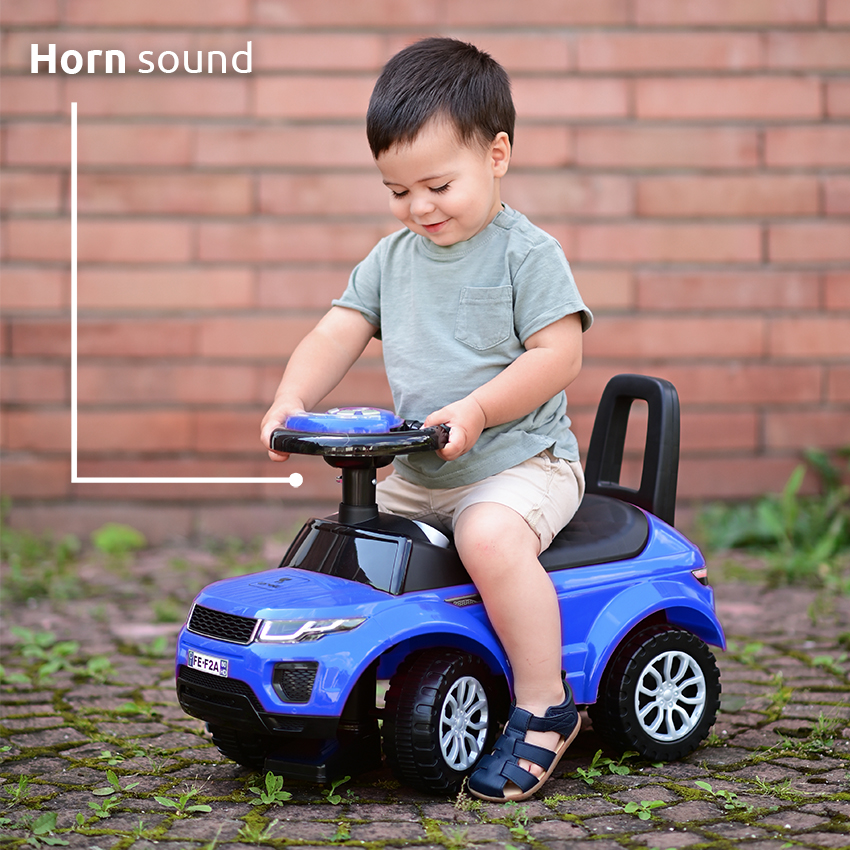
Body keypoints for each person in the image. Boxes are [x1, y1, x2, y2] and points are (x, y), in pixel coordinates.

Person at [260, 37, 593, 802]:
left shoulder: (527, 255)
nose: (419, 207)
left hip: (522, 462)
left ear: (497, 155)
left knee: (488, 539)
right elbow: (336, 331)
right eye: (397, 190)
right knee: (345, 546)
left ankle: (545, 704)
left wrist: (479, 408)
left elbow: (559, 356)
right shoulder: (392, 259)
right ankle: (332, 702)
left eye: (438, 185)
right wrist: (291, 399)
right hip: (422, 471)